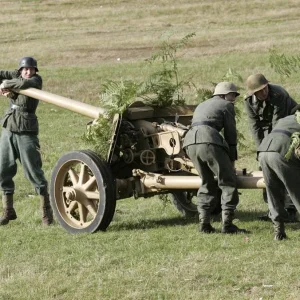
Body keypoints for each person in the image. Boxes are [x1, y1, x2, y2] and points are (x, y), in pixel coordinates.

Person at [183, 82, 246, 234]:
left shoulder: (202, 105)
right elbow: (231, 134)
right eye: (233, 95)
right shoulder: (226, 106)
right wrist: (232, 159)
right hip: (209, 140)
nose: (234, 99)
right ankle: (228, 224)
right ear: (224, 95)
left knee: (206, 182)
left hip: (190, 141)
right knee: (228, 182)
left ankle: (204, 223)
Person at [0, 56, 53, 226]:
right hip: (8, 130)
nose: (28, 71)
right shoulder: (17, 75)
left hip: (26, 132)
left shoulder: (35, 81)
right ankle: (8, 211)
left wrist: (5, 85)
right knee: (3, 170)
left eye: (31, 69)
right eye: (25, 69)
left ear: (35, 71)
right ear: (20, 70)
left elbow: (22, 85)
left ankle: (46, 212)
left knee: (34, 172)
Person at [244, 73, 298, 222]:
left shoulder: (278, 94)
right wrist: (261, 149)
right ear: (253, 93)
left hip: (288, 128)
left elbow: (277, 123)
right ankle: (273, 210)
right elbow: (254, 127)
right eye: (260, 91)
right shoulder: (248, 102)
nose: (264, 92)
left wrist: (269, 147)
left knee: (287, 169)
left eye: (265, 88)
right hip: (270, 130)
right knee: (265, 168)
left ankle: (291, 209)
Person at [258, 113, 300, 240]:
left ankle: (279, 231)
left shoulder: (286, 118)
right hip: (282, 153)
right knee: (297, 192)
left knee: (273, 193)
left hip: (264, 151)